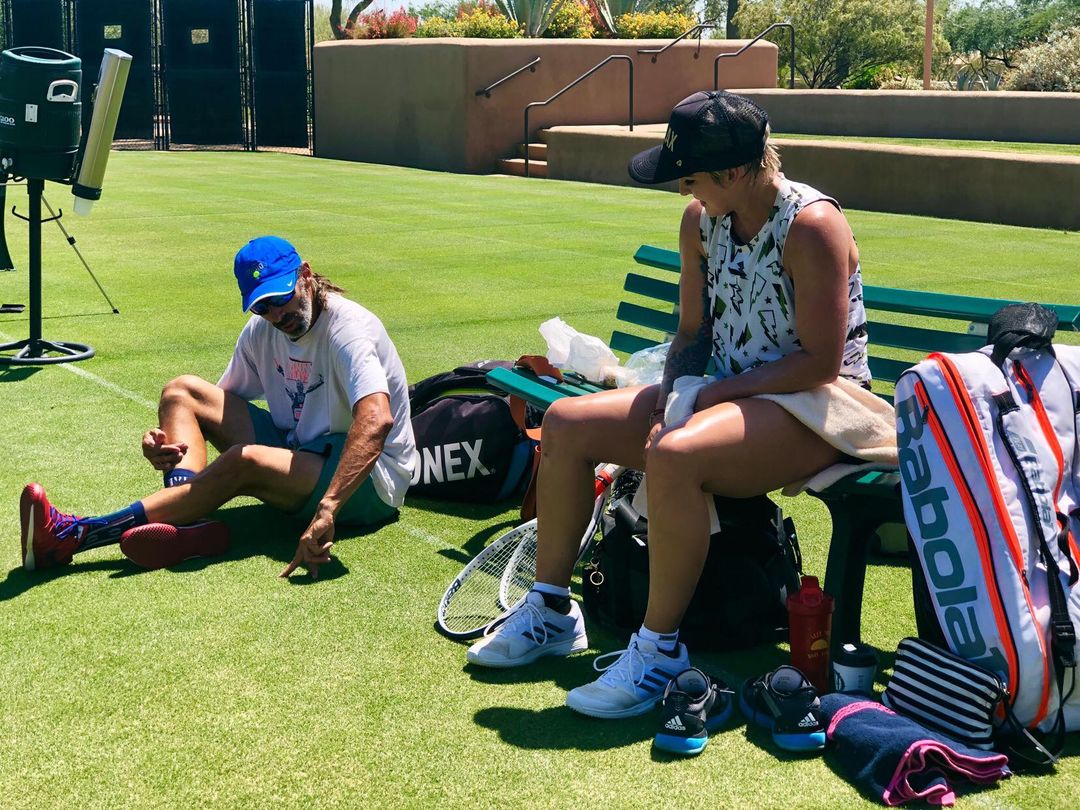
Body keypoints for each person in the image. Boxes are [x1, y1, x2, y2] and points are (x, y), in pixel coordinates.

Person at [467, 91, 875, 718]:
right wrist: (671, 398)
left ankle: (659, 653)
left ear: (736, 173)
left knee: (677, 455)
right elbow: (691, 333)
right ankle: (550, 611)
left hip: (822, 407)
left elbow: (821, 363)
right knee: (571, 423)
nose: (685, 188)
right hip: (739, 397)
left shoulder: (813, 225)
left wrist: (703, 397)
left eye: (691, 175)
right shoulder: (700, 220)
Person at [20, 235, 415, 579]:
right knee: (181, 393)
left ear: (306, 275)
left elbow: (376, 419)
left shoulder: (348, 329)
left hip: (370, 482)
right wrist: (165, 445)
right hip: (302, 449)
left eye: (282, 297)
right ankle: (189, 520)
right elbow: (214, 408)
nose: (278, 315)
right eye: (263, 306)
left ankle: (73, 536)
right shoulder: (262, 330)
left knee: (246, 461)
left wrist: (328, 509)